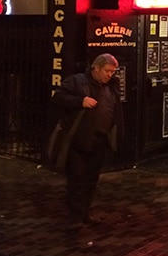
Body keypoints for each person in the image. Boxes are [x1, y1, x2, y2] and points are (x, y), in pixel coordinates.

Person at [50, 53, 124, 227]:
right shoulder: (77, 81)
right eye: (107, 71)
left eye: (112, 72)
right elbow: (57, 98)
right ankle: (75, 216)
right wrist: (80, 101)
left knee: (91, 179)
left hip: (99, 139)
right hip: (78, 139)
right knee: (76, 178)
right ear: (96, 68)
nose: (109, 75)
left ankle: (85, 212)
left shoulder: (111, 86)